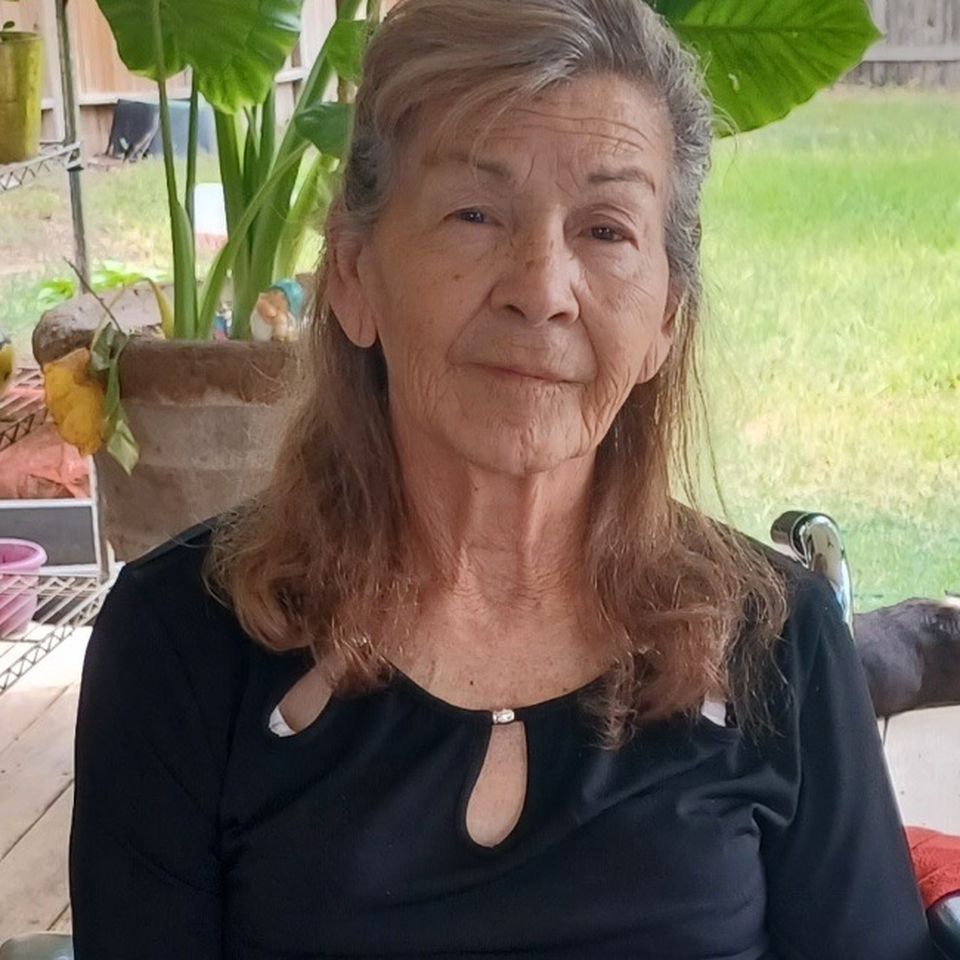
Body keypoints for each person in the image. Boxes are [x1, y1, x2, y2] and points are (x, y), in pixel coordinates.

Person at [68, 1, 937, 957]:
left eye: (605, 230)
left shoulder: (777, 645)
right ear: (352, 274)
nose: (541, 288)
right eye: (474, 214)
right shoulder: (182, 643)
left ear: (666, 319)